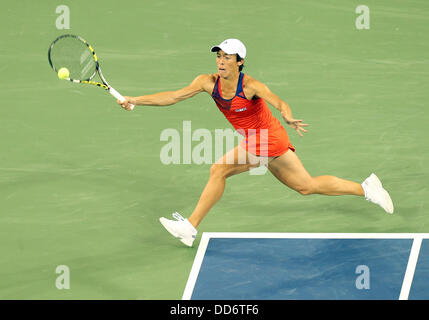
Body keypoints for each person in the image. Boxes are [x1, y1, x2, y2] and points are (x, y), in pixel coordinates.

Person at [118, 39, 394, 247]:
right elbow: (173, 97)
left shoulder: (250, 86)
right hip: (263, 140)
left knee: (219, 170)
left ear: (240, 61)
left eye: (228, 57)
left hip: (268, 138)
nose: (221, 61)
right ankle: (367, 189)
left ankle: (190, 227)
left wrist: (287, 115)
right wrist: (134, 99)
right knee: (306, 187)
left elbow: (278, 101)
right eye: (219, 56)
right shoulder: (206, 82)